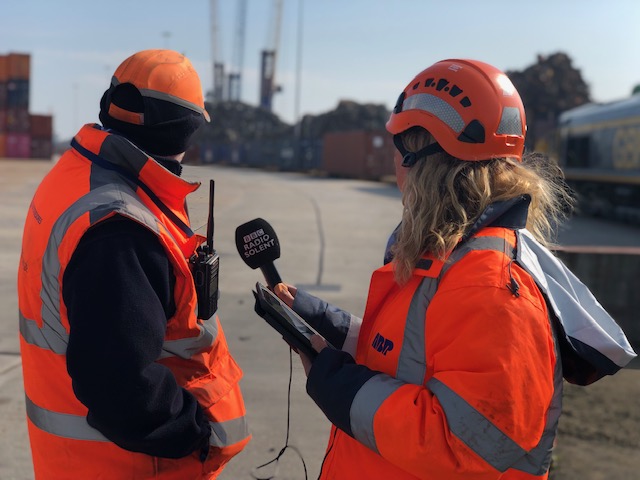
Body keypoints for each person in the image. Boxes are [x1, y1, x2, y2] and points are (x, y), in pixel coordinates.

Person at [275, 58, 636, 479]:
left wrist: (337, 385)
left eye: (399, 147)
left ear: (420, 159)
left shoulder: (491, 287)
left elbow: (466, 443)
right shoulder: (452, 258)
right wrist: (334, 329)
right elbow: (418, 360)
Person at [17, 49, 250, 479]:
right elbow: (119, 386)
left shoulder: (76, 178)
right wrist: (194, 433)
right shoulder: (122, 229)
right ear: (188, 130)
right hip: (133, 466)